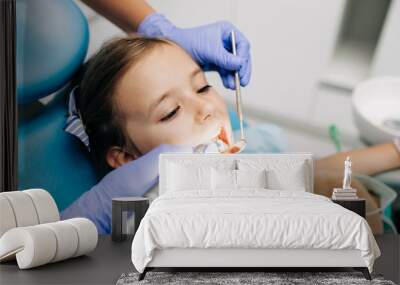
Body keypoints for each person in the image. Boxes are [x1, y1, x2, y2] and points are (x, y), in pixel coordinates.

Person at [61, 36, 400, 235]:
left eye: (202, 86)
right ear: (129, 160)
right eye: (170, 112)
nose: (205, 109)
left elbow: (313, 167)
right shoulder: (158, 217)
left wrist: (394, 152)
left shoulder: (243, 149)